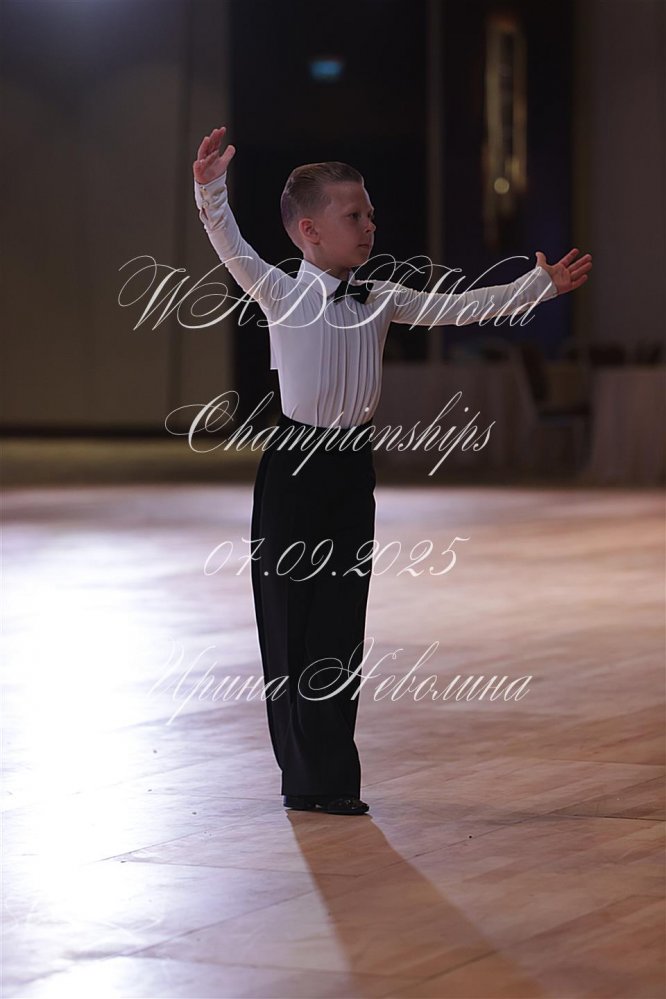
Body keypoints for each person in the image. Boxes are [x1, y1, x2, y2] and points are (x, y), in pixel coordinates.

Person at [192, 125, 592, 817]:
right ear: (310, 231)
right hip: (295, 467)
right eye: (355, 216)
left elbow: (459, 308)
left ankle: (331, 778)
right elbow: (230, 243)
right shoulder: (281, 291)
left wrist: (538, 286)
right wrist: (210, 188)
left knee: (342, 622)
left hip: (352, 468)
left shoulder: (378, 296)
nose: (370, 225)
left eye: (371, 214)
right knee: (290, 621)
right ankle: (304, 777)